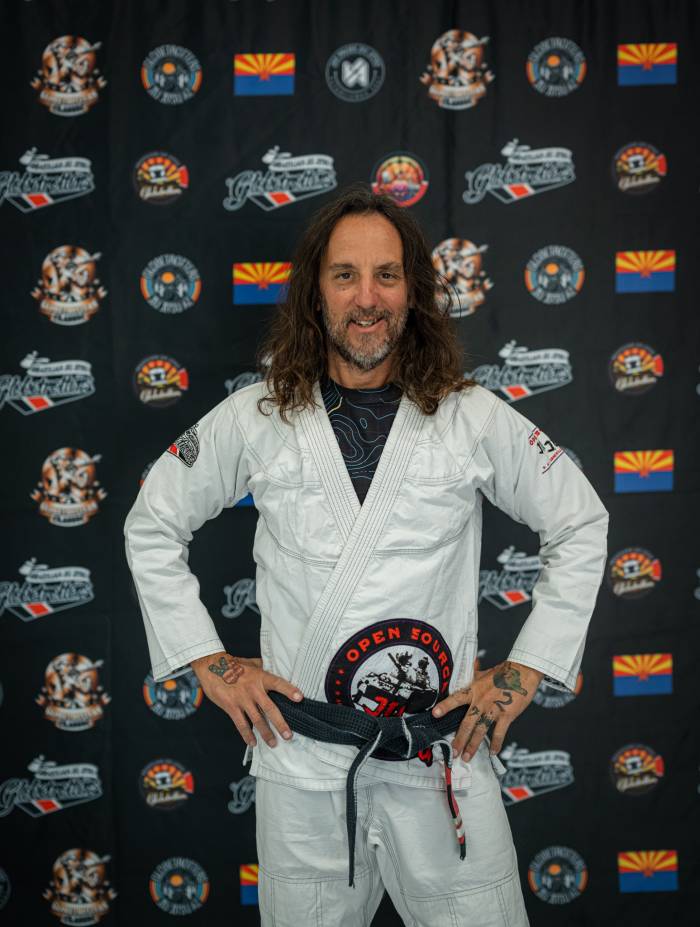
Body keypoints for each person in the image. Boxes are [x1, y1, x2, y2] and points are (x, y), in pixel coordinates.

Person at [124, 184, 609, 926]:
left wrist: (525, 670)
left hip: (440, 756)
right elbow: (153, 522)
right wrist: (209, 662)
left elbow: (579, 521)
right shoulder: (257, 417)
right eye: (345, 275)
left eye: (387, 275)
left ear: (413, 292)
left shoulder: (469, 416)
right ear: (314, 292)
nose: (367, 297)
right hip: (304, 760)